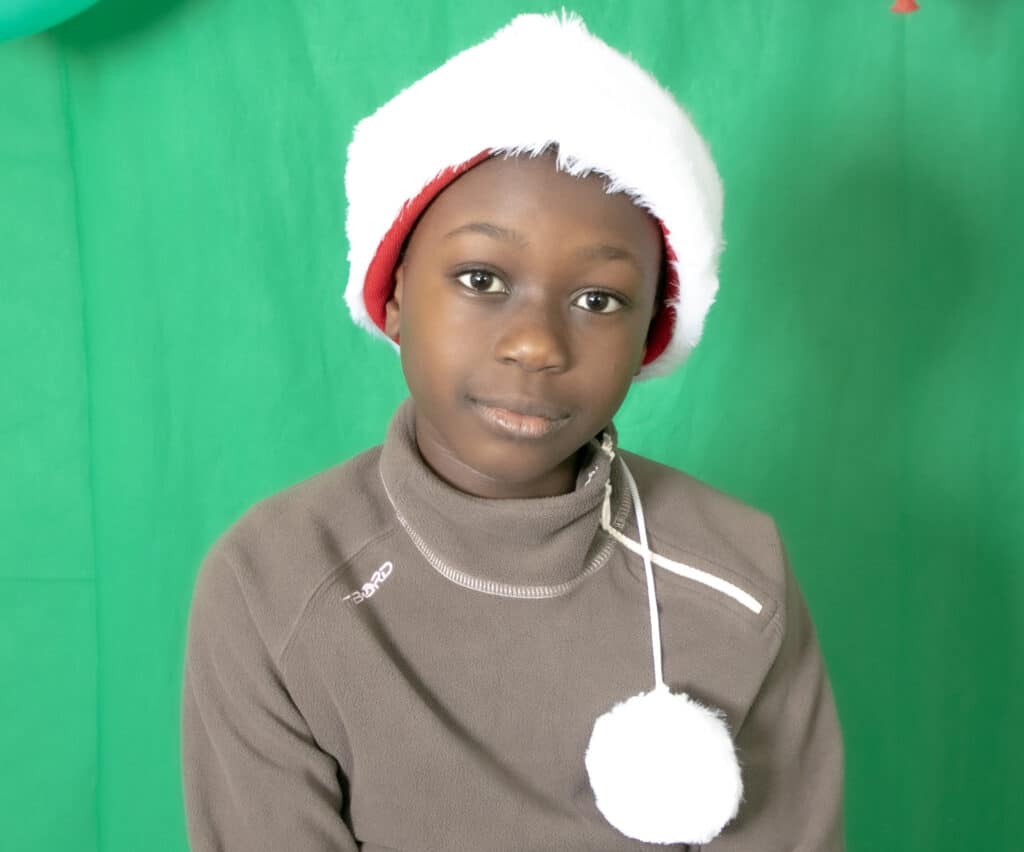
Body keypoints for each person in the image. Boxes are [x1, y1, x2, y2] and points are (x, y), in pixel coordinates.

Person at [181, 11, 844, 851]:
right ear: (394, 295)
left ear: (648, 334)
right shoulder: (273, 582)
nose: (536, 344)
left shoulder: (739, 578)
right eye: (481, 278)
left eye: (598, 299)